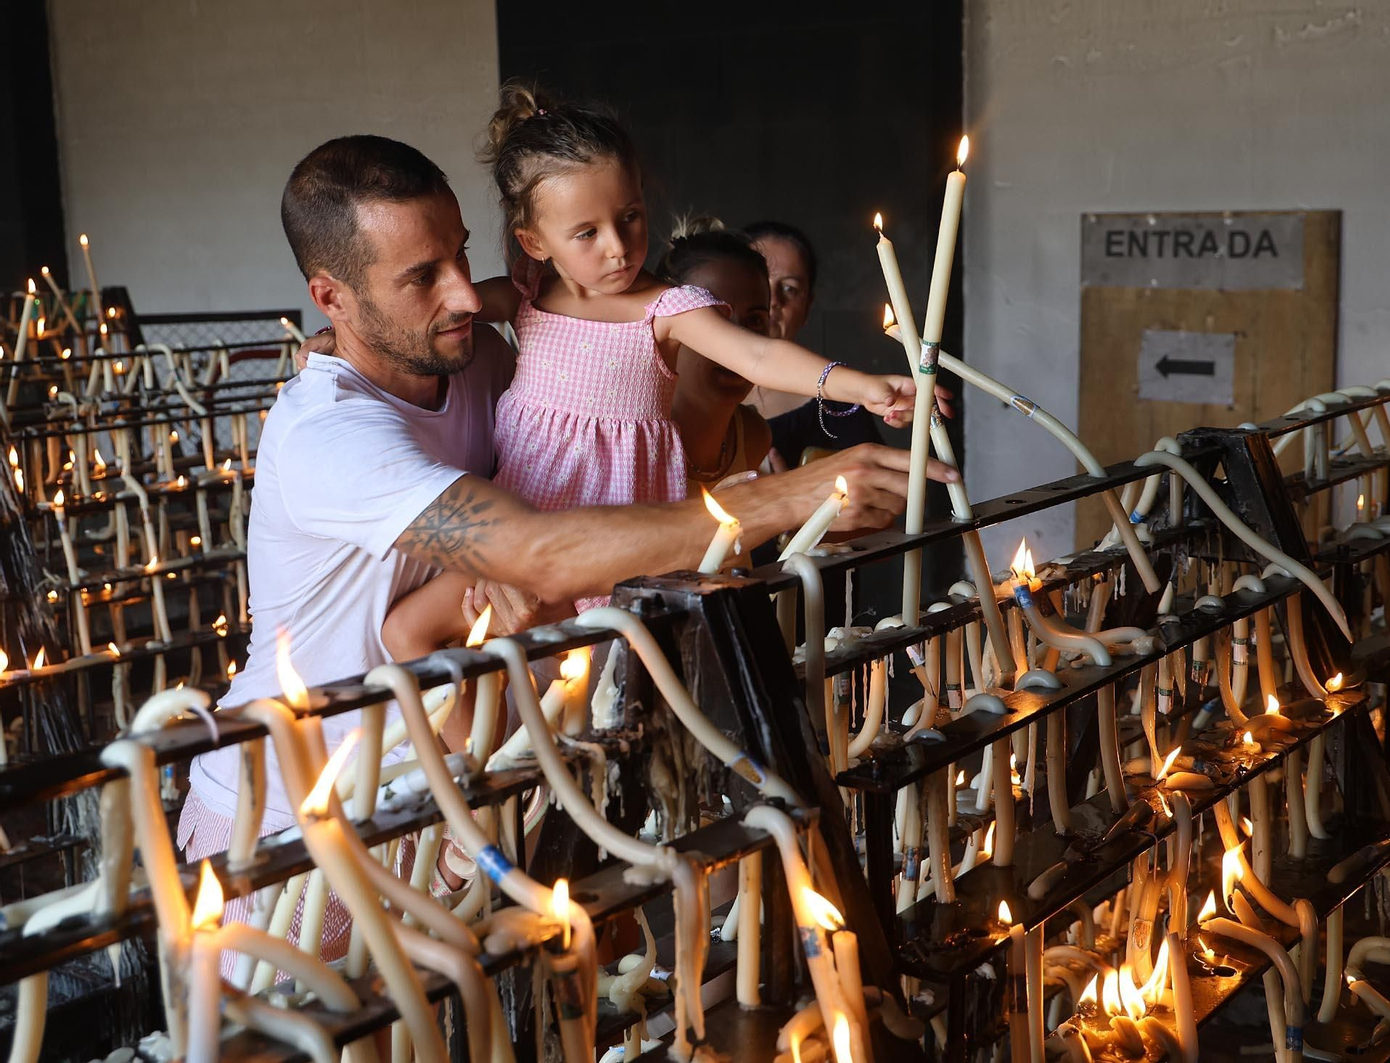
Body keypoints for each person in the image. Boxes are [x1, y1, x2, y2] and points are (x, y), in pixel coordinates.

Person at [179, 134, 957, 962]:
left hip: (442, 798)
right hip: (286, 829)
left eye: (459, 258)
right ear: (330, 297)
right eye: (421, 278)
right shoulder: (329, 435)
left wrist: (798, 431)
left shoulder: (471, 358)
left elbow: (614, 433)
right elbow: (537, 551)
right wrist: (785, 497)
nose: (463, 296)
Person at [382, 83, 920, 655]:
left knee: (606, 674)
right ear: (534, 242)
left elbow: (758, 354)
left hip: (622, 537)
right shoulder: (526, 296)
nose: (617, 247)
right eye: (587, 233)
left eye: (631, 217)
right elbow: (439, 309)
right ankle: (466, 751)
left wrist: (860, 385)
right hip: (525, 533)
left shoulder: (666, 308)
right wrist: (343, 339)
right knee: (410, 630)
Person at [746, 220, 884, 469]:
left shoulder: (839, 405)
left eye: (789, 288)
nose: (773, 300)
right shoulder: (686, 390)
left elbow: (885, 496)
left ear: (807, 306)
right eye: (758, 280)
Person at [660, 216, 773, 492]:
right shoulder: (629, 437)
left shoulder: (752, 437)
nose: (739, 342)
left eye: (755, 320)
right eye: (714, 318)